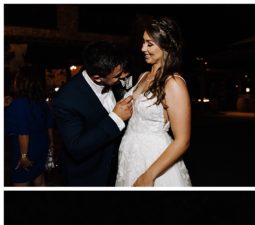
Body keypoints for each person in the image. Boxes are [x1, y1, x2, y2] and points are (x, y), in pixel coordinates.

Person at [115, 15, 192, 187]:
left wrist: (149, 175)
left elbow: (183, 140)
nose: (143, 48)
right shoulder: (143, 76)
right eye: (143, 42)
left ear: (167, 45)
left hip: (154, 159)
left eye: (149, 44)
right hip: (130, 153)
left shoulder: (173, 83)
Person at [52, 42, 133, 187]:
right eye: (117, 76)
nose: (123, 77)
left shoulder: (114, 78)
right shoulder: (65, 99)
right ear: (97, 77)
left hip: (119, 170)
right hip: (89, 175)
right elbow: (76, 147)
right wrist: (116, 119)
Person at [4, 65, 54, 187]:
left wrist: (23, 156)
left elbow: (23, 131)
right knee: (40, 180)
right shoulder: (40, 101)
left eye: (16, 77)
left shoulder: (20, 102)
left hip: (25, 149)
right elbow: (49, 124)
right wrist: (51, 145)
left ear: (22, 81)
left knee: (21, 184)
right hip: (41, 146)